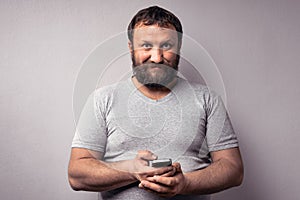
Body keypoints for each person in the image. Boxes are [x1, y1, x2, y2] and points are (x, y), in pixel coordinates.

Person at [68, 5, 243, 200]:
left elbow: (233, 169)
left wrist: (184, 183)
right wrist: (131, 170)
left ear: (179, 47)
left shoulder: (207, 99)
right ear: (130, 47)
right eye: (146, 46)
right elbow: (76, 175)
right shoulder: (102, 99)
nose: (156, 57)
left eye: (166, 46)